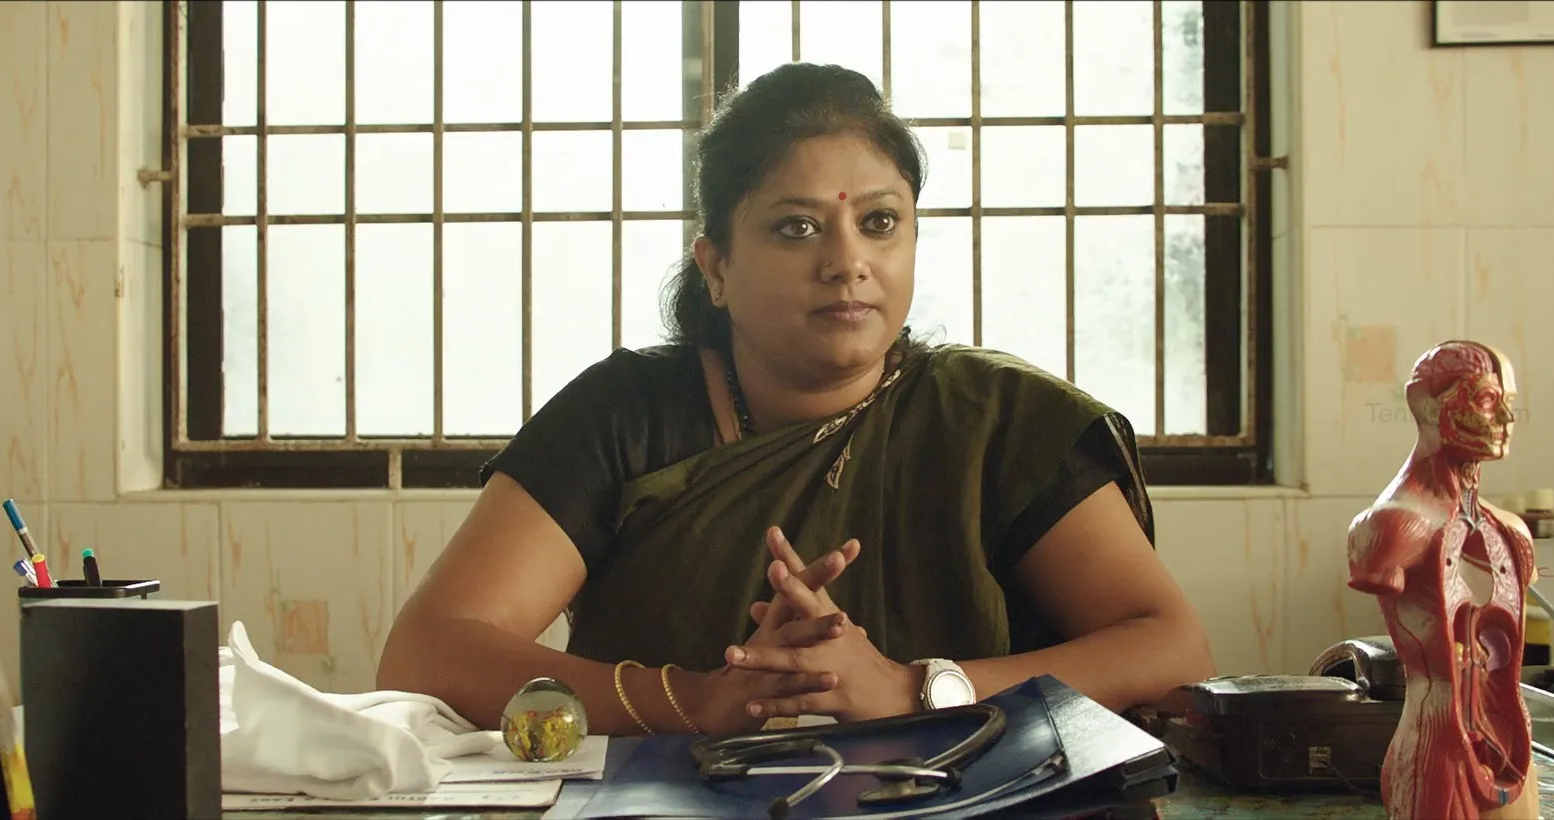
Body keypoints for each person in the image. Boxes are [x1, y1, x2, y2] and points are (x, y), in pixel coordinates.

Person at [379, 62, 1215, 738]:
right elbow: (428, 652)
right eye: (797, 227)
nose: (847, 262)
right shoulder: (625, 415)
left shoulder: (997, 421)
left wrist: (913, 689)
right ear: (716, 268)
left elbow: (1172, 647)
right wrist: (699, 701)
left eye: (880, 223)